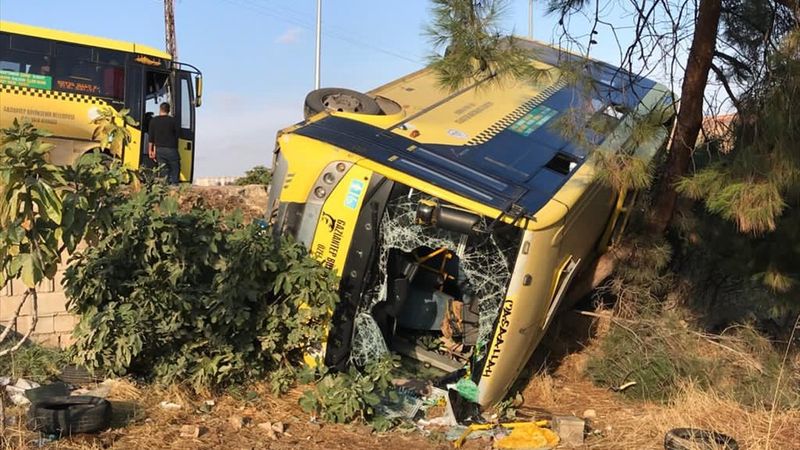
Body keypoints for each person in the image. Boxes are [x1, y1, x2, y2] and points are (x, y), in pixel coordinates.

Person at [147, 102, 181, 184]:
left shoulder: (154, 121)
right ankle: (174, 187)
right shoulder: (173, 121)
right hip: (171, 149)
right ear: (168, 110)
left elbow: (151, 138)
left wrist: (150, 151)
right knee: (175, 168)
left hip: (159, 150)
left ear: (160, 109)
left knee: (163, 170)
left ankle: (164, 188)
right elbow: (178, 135)